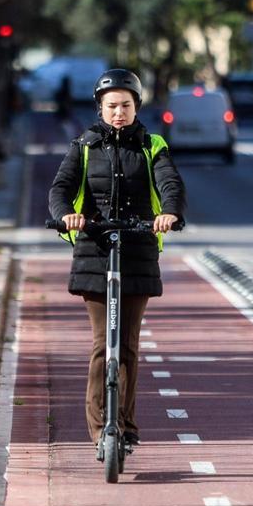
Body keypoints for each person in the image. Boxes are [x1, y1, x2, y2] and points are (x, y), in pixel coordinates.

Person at [48, 69, 186, 458]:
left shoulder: (152, 145)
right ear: (100, 108)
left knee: (127, 345)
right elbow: (60, 188)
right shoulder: (84, 146)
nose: (119, 113)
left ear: (136, 106)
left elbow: (169, 183)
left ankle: (124, 424)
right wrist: (66, 216)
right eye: (112, 106)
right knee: (101, 345)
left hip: (138, 251)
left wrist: (169, 213)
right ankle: (99, 430)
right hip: (95, 250)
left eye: (126, 105)